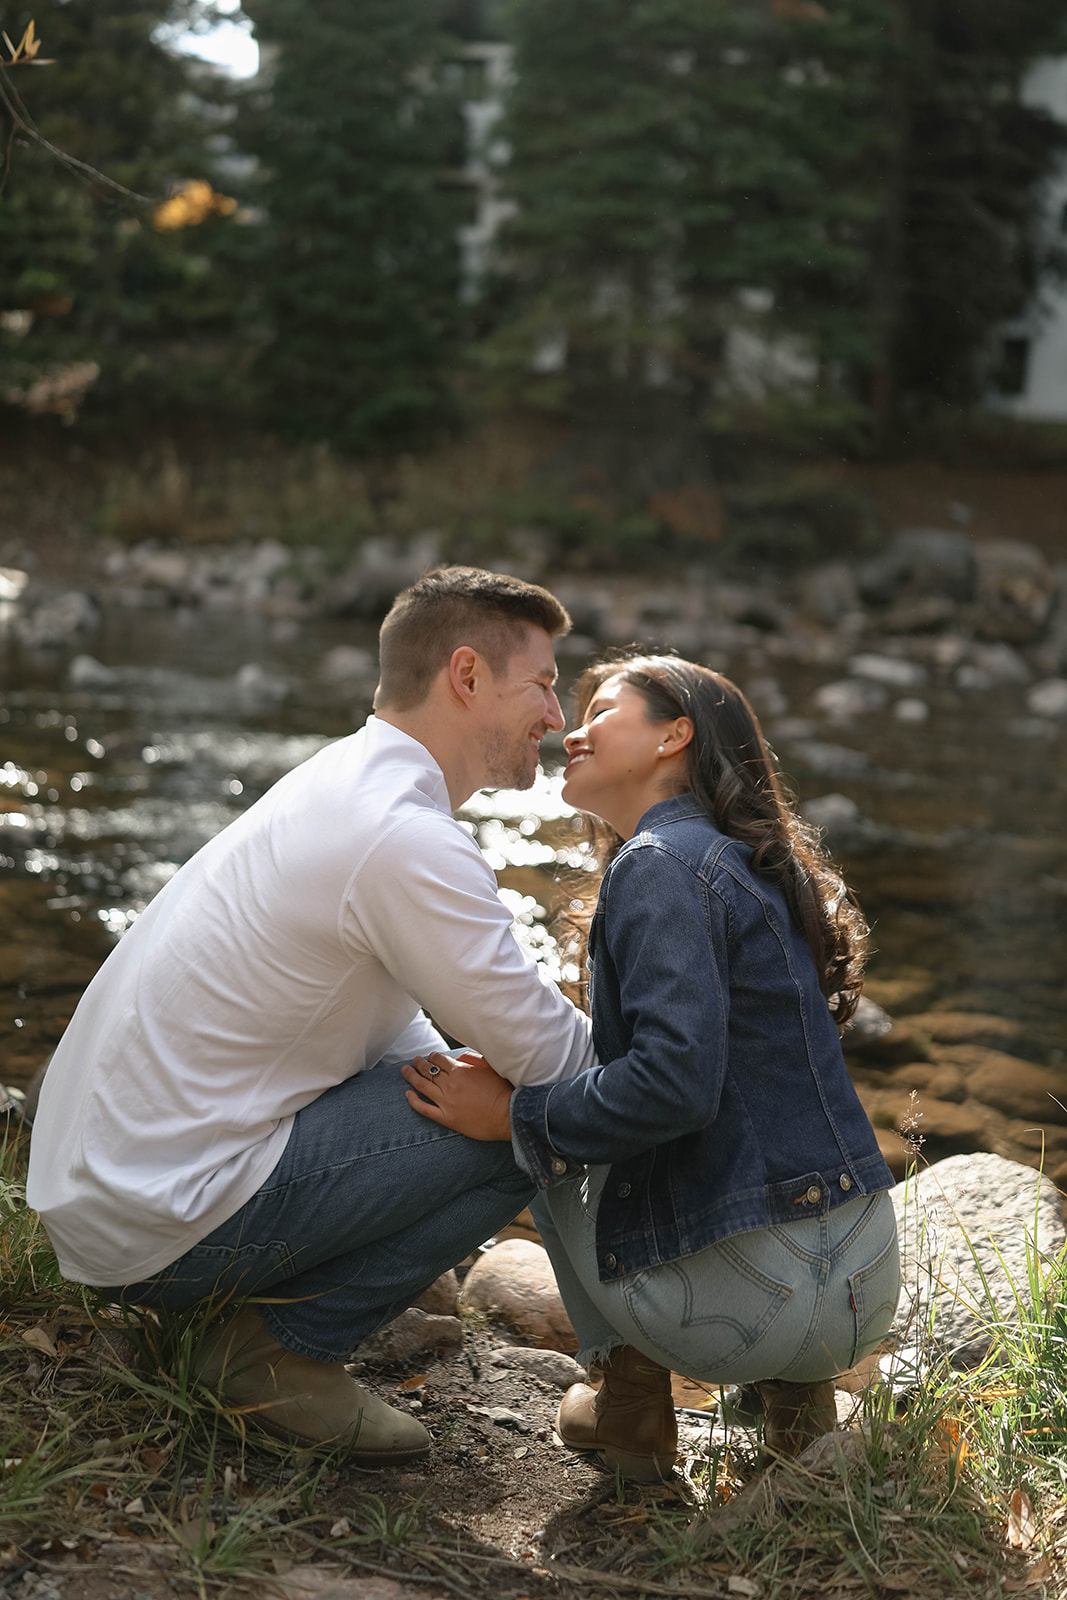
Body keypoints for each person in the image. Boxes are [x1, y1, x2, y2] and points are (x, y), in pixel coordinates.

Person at [27, 566, 596, 1465]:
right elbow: (559, 1064)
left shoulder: (348, 779)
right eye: (543, 683)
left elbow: (398, 1028)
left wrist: (476, 1072)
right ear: (466, 675)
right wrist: (675, 1077)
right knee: (532, 1125)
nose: (557, 717)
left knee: (495, 1095)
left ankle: (245, 1321)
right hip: (158, 1221)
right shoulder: (401, 836)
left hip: (110, 1192)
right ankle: (270, 1356)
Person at [404, 653, 901, 1481]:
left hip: (752, 1303)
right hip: (857, 1293)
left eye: (601, 710)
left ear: (675, 735)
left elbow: (672, 1084)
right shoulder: (755, 866)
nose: (571, 729)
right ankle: (796, 1414)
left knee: (539, 1109)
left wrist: (514, 1117)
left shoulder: (658, 865)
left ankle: (628, 1402)